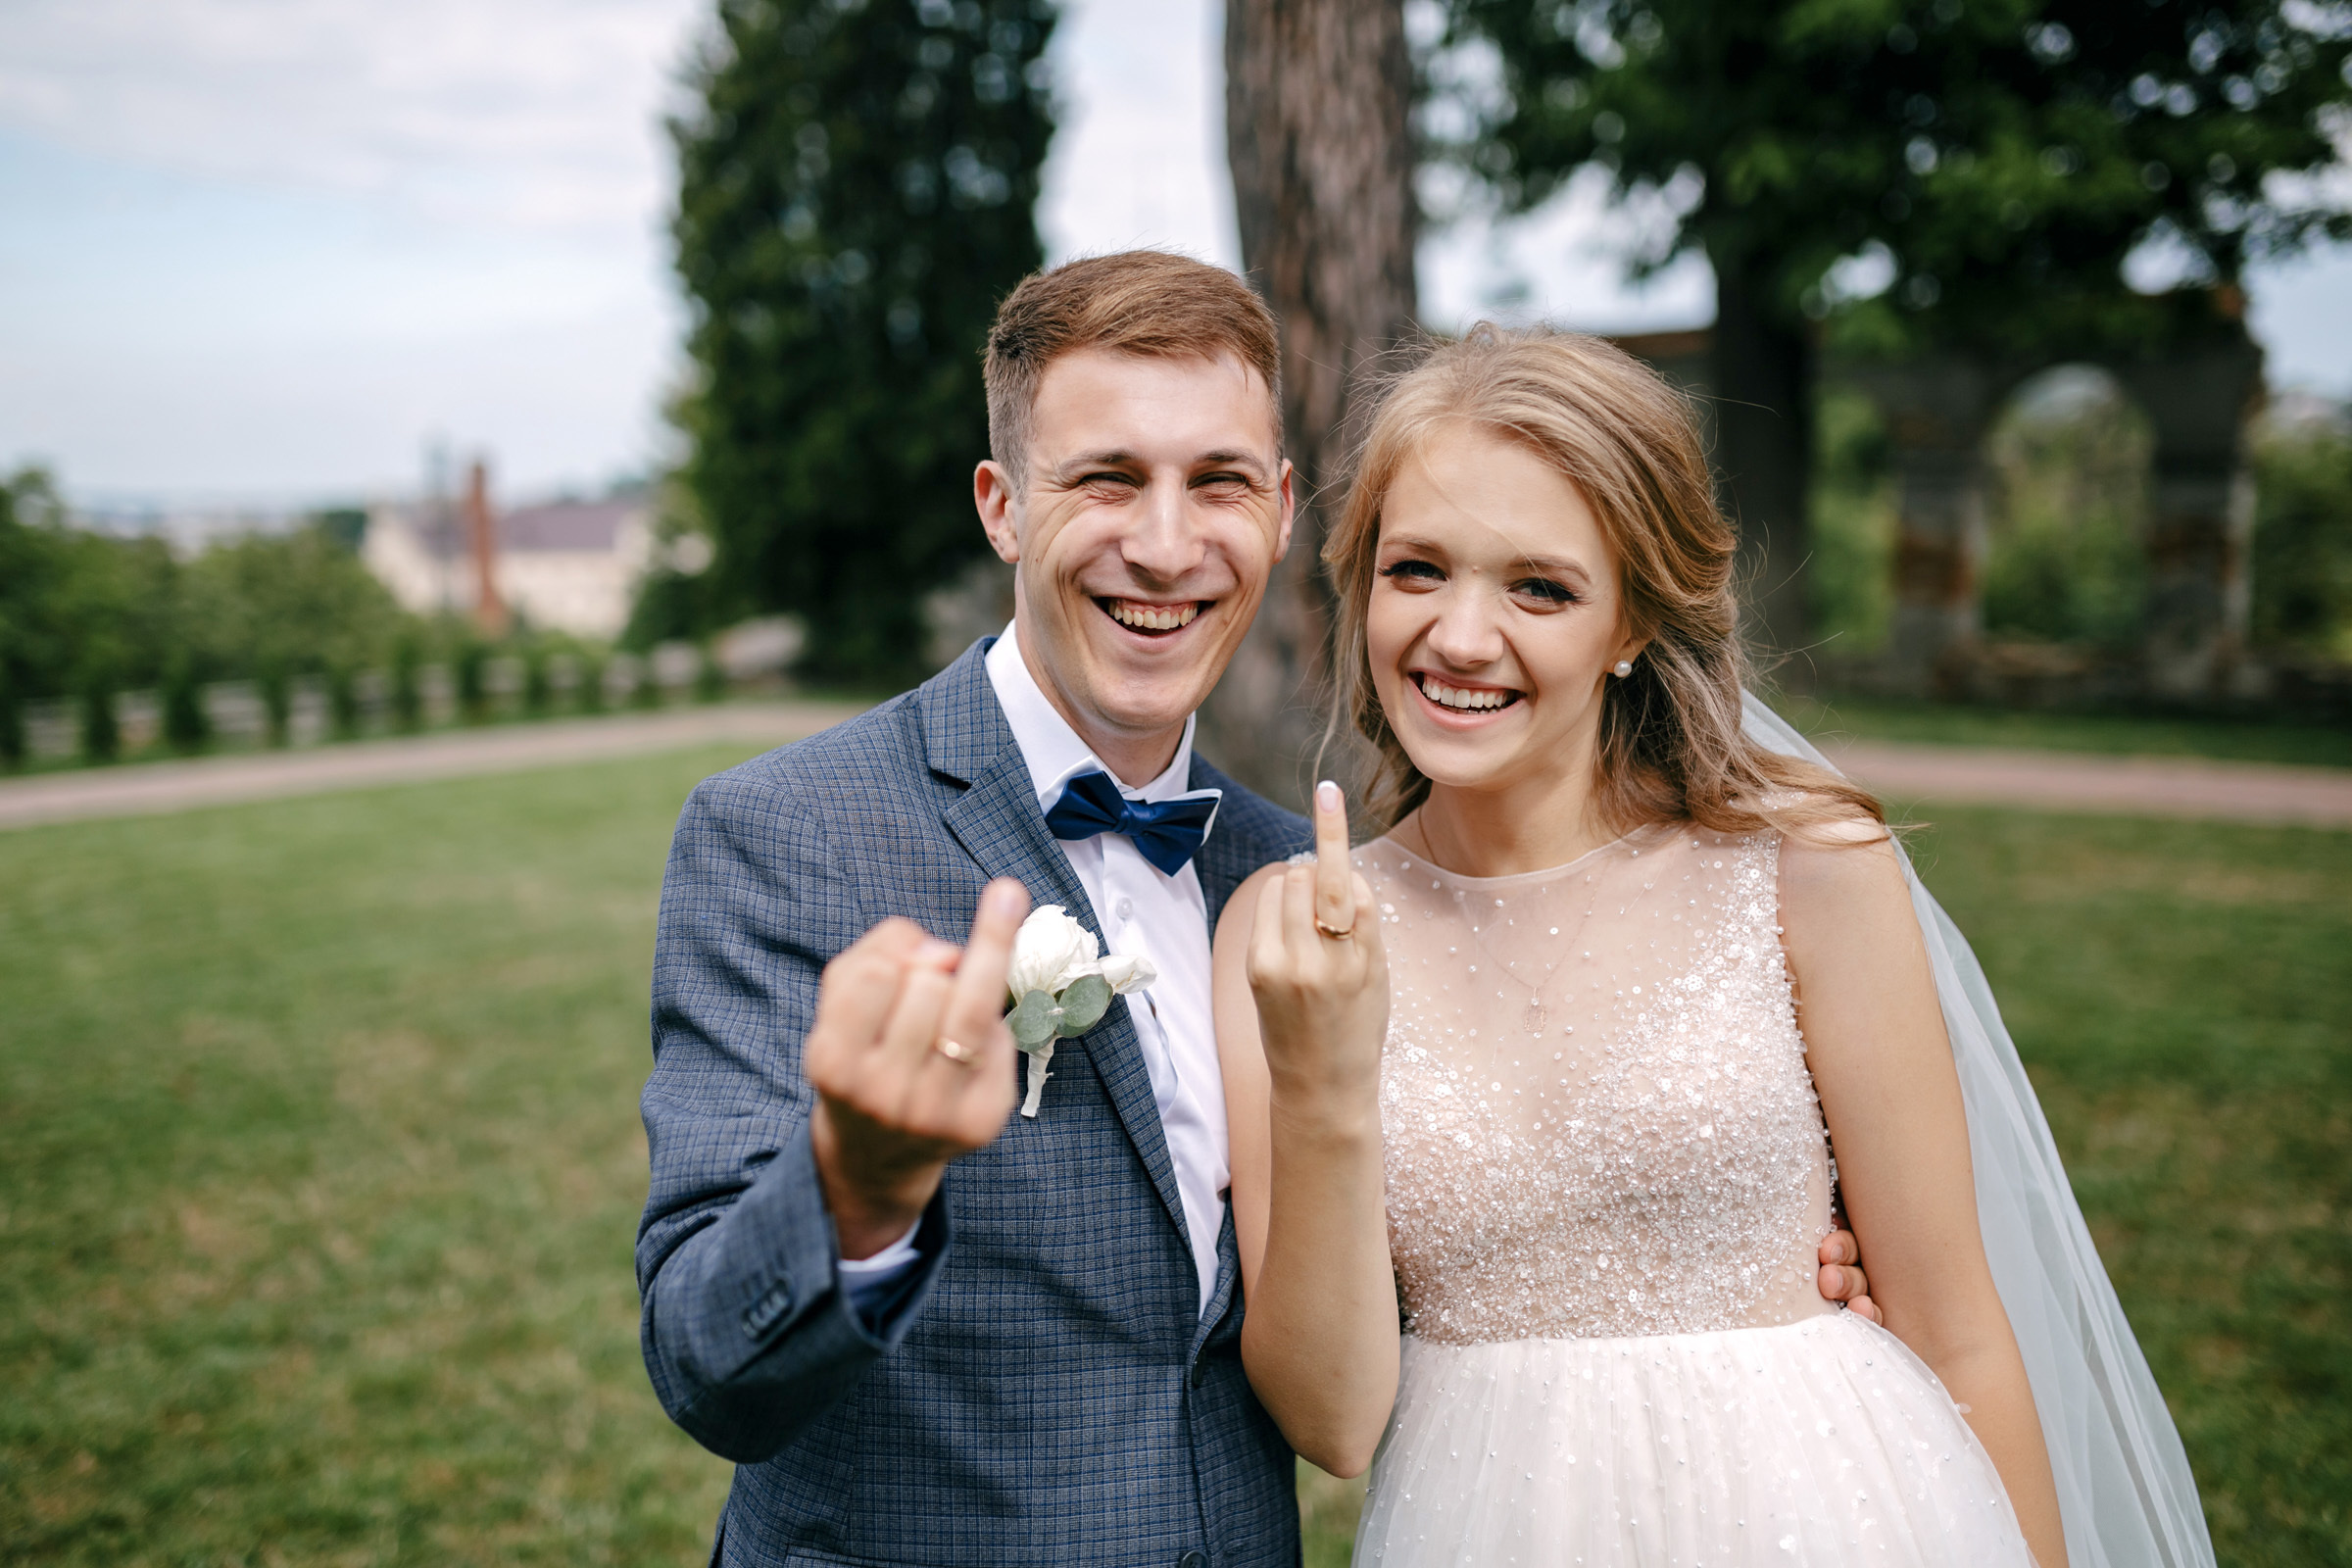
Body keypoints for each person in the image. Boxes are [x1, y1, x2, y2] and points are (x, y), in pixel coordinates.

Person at [638, 254, 1880, 1567]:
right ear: (1003, 507)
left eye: (1217, 483)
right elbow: (708, 1371)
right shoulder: (786, 834)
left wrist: (1738, 1274)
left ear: (1283, 512)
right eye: (1107, 478)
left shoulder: (1300, 886)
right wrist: (856, 1188)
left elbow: (1420, 1274)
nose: (1166, 547)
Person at [1216, 326, 2217, 1567]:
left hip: (1838, 1511)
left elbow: (1958, 1330)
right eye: (1418, 568)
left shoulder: (1802, 866)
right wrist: (1319, 1086)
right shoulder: (1289, 933)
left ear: (1630, 620)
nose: (1462, 637)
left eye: (1540, 587)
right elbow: (1334, 1421)